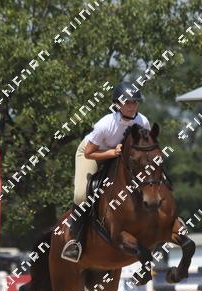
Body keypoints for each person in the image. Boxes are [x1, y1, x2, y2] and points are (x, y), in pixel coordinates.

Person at [61, 81, 150, 263]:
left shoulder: (143, 122)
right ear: (118, 104)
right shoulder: (105, 124)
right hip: (92, 154)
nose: (132, 106)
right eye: (128, 102)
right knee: (81, 194)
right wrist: (112, 153)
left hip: (119, 156)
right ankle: (74, 241)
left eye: (135, 102)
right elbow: (89, 152)